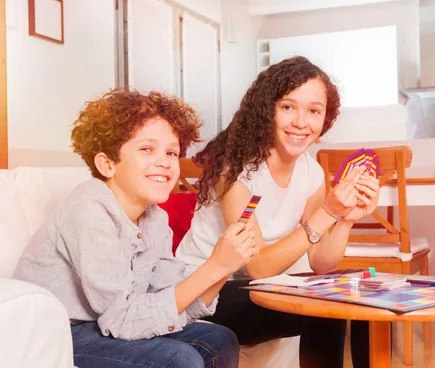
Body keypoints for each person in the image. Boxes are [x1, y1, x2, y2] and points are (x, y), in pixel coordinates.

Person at [14, 89, 257, 368]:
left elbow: (170, 297)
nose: (165, 162)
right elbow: (123, 319)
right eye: (146, 149)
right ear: (108, 164)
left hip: (103, 323)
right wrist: (214, 266)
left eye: (171, 152)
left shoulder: (155, 218)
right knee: (179, 359)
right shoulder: (89, 210)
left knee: (220, 339)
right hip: (56, 332)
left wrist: (226, 265)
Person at [176, 56, 381, 367]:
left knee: (352, 299)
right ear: (266, 110)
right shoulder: (235, 172)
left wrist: (344, 221)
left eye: (314, 111)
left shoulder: (311, 173)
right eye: (288, 107)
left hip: (260, 286)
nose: (301, 122)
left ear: (324, 119)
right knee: (322, 308)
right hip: (208, 289)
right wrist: (328, 211)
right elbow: (258, 267)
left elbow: (321, 263)